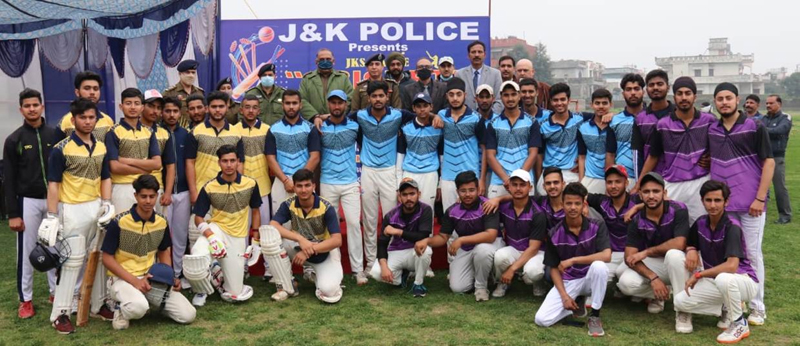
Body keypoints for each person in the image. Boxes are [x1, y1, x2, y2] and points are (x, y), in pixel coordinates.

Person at [316, 81, 414, 275]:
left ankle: (393, 262)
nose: (378, 100)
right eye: (374, 96)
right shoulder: (359, 116)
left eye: (381, 96)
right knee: (369, 221)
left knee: (392, 220)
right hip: (368, 171)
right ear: (368, 98)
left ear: (387, 96)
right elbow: (337, 116)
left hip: (389, 171)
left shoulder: (398, 115)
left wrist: (436, 117)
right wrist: (319, 117)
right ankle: (370, 264)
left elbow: (422, 115)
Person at [41, 98, 114, 334]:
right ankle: (60, 313)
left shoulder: (101, 146)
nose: (87, 121)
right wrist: (52, 215)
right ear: (73, 120)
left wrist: (106, 202)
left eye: (91, 117)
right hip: (71, 208)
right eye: (83, 117)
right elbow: (53, 184)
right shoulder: (61, 149)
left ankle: (98, 304)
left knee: (101, 256)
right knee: (71, 262)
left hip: (96, 207)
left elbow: (105, 178)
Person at [709, 82, 774, 325]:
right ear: (715, 103)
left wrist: (760, 198)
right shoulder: (712, 129)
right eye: (720, 99)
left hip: (751, 204)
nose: (724, 102)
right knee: (726, 254)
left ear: (737, 100)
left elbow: (769, 163)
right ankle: (730, 307)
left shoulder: (754, 126)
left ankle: (758, 307)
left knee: (752, 254)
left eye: (728, 98)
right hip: (723, 206)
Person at [101, 174, 195, 330]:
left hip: (151, 279)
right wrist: (135, 281)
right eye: (143, 196)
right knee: (138, 308)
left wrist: (169, 278)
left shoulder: (161, 221)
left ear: (157, 196)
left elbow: (164, 251)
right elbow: (107, 258)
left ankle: (157, 305)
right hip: (121, 279)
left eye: (152, 196)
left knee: (188, 315)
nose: (148, 201)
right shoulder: (119, 222)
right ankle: (121, 309)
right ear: (135, 196)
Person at [672, 180, 759, 343]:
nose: (713, 205)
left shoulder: (732, 226)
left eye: (718, 200)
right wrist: (691, 250)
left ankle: (739, 323)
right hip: (716, 281)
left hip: (744, 280)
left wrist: (699, 274)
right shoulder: (700, 222)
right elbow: (690, 242)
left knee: (724, 277)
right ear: (702, 201)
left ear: (726, 202)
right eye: (708, 200)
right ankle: (726, 306)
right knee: (680, 301)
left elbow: (732, 266)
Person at [184, 144, 261, 306]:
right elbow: (198, 218)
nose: (229, 165)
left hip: (238, 237)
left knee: (234, 293)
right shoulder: (209, 186)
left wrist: (255, 241)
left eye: (232, 160)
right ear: (219, 163)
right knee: (198, 253)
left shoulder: (251, 184)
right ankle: (201, 290)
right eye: (225, 161)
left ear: (238, 162)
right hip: (217, 230)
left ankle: (216, 273)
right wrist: (211, 237)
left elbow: (255, 211)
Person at [4, 88, 58, 318]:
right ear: (21, 110)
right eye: (27, 106)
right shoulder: (14, 139)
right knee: (26, 253)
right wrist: (13, 213)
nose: (32, 109)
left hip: (54, 200)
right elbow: (9, 179)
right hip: (28, 202)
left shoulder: (55, 134)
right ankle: (25, 300)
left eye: (35, 105)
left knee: (54, 249)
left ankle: (56, 292)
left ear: (42, 106)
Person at [534, 183, 610, 338]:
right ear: (562, 204)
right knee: (541, 320)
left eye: (577, 203)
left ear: (584, 205)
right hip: (569, 281)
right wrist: (564, 297)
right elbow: (553, 267)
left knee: (600, 267)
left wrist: (574, 260)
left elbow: (606, 255)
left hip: (590, 278)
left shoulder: (597, 225)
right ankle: (576, 302)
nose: (573, 207)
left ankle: (594, 316)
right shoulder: (554, 233)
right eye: (569, 203)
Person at [636, 77, 714, 224]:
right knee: (670, 226)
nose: (684, 97)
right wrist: (639, 183)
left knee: (701, 225)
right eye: (679, 93)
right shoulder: (662, 124)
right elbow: (653, 156)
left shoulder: (709, 121)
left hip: (701, 181)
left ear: (695, 97)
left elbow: (719, 148)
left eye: (688, 93)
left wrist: (711, 158)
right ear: (675, 97)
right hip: (673, 183)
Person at [617, 172, 690, 321]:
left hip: (679, 263)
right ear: (640, 195)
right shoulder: (636, 220)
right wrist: (653, 278)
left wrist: (647, 252)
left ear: (664, 193)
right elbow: (629, 257)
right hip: (657, 264)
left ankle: (683, 309)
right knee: (625, 282)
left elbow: (680, 243)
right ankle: (659, 293)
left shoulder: (678, 209)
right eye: (646, 192)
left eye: (656, 191)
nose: (651, 196)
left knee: (673, 254)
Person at [420, 171, 500, 301]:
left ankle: (481, 287)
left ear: (478, 189)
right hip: (467, 248)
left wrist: (461, 239)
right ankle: (477, 273)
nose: (467, 194)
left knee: (482, 251)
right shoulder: (452, 211)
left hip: (490, 245)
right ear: (457, 192)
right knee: (457, 288)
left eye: (471, 190)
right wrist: (426, 241)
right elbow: (443, 237)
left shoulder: (487, 205)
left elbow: (491, 236)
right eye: (463, 191)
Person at [267, 169, 344, 303]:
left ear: (314, 186)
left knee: (329, 292)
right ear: (294, 187)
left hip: (323, 252)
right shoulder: (288, 204)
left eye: (307, 185)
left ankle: (313, 274)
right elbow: (273, 225)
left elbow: (337, 240)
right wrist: (300, 239)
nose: (303, 190)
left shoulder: (326, 207)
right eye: (299, 186)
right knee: (270, 239)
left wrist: (309, 251)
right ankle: (287, 285)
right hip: (298, 246)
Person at [318, 90, 364, 284]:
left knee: (354, 224)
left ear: (346, 105)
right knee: (330, 228)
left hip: (350, 181)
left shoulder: (355, 126)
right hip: (327, 182)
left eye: (340, 103)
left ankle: (358, 270)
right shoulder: (319, 127)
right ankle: (334, 268)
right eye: (333, 103)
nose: (336, 106)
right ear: (328, 105)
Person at [370, 178, 434, 297]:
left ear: (418, 194)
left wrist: (398, 232)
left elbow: (423, 235)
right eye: (404, 194)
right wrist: (383, 266)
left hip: (415, 251)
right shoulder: (390, 215)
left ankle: (418, 284)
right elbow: (382, 243)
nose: (408, 198)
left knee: (426, 251)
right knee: (376, 273)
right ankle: (401, 277)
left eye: (412, 194)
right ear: (399, 197)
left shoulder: (425, 209)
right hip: (396, 251)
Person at [265, 89, 321, 223]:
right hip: (281, 181)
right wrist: (285, 180)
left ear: (301, 105)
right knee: (281, 223)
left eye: (294, 103)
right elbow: (270, 158)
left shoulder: (310, 128)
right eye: (288, 103)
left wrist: (299, 181)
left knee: (307, 223)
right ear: (282, 105)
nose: (291, 107)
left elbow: (315, 156)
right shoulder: (273, 129)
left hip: (304, 182)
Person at [491, 169, 548, 298]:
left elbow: (533, 248)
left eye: (522, 185)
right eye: (514, 184)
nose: (518, 188)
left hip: (536, 251)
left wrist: (511, 269)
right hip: (514, 249)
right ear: (509, 187)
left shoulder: (537, 213)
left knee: (533, 273)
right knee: (500, 256)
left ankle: (537, 282)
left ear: (530, 187)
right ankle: (503, 282)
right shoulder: (503, 207)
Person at [106, 88, 162, 214]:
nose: (132, 107)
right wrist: (145, 169)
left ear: (142, 107)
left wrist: (126, 160)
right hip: (122, 188)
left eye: (136, 103)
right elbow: (114, 167)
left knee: (146, 229)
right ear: (121, 106)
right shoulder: (113, 132)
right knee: (123, 228)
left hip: (145, 189)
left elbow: (157, 164)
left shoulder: (149, 132)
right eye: (128, 103)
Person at [185, 91, 243, 206]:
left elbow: (240, 163)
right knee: (202, 224)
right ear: (207, 109)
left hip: (228, 191)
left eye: (221, 106)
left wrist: (237, 188)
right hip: (202, 190)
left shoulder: (236, 133)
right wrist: (193, 191)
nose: (217, 110)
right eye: (214, 106)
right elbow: (189, 163)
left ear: (227, 108)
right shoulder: (196, 132)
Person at [485, 81, 541, 198]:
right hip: (499, 182)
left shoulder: (532, 122)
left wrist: (518, 179)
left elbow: (533, 153)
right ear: (501, 97)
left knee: (526, 216)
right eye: (506, 95)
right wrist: (507, 179)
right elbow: (490, 155)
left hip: (524, 181)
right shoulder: (493, 124)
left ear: (519, 95)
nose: (510, 98)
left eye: (513, 94)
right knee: (496, 216)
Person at [585, 165, 639, 281]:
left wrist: (637, 208)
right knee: (593, 275)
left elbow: (662, 201)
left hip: (633, 253)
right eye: (609, 182)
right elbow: (576, 194)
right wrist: (583, 205)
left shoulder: (636, 200)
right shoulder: (602, 201)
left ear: (626, 183)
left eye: (618, 182)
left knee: (625, 279)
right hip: (611, 254)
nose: (613, 186)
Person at [438, 77, 485, 211]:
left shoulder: (476, 118)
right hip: (448, 177)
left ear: (465, 95)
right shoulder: (441, 115)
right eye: (451, 95)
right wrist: (433, 116)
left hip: (470, 176)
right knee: (450, 216)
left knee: (470, 220)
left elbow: (485, 149)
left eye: (459, 94)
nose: (455, 98)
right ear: (447, 96)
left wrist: (481, 179)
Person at [160, 97, 192, 286]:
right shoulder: (155, 134)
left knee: (180, 236)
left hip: (184, 192)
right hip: (162, 194)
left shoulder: (186, 135)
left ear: (181, 113)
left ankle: (178, 274)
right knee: (161, 236)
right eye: (167, 111)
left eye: (175, 111)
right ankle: (162, 275)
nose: (171, 115)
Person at [397, 92, 443, 208]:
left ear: (431, 107)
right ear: (413, 108)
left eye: (425, 106)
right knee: (408, 210)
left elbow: (442, 157)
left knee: (428, 210)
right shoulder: (405, 128)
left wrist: (440, 184)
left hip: (430, 175)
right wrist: (398, 183)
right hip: (409, 173)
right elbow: (400, 155)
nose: (422, 109)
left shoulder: (438, 128)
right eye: (418, 106)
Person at [536, 83, 583, 195]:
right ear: (551, 102)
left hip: (571, 174)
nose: (559, 103)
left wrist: (610, 115)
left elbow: (598, 118)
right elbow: (539, 155)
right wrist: (539, 178)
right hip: (549, 173)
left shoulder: (580, 119)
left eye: (563, 99)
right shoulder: (543, 126)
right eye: (555, 100)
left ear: (569, 100)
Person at [237, 94, 273, 228]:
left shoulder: (268, 130)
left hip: (263, 186)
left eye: (254, 108)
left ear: (259, 111)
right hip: (241, 186)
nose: (251, 111)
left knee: (265, 229)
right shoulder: (234, 130)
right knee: (243, 229)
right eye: (247, 107)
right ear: (241, 110)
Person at [631, 70, 675, 177]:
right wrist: (640, 181)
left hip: (675, 176)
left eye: (660, 84)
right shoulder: (640, 119)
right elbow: (637, 153)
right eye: (651, 85)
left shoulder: (678, 114)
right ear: (646, 90)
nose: (655, 87)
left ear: (668, 87)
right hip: (651, 178)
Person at [606, 73, 645, 189]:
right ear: (623, 94)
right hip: (623, 179)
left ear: (643, 92)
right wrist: (609, 181)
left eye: (636, 89)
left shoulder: (652, 119)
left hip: (649, 177)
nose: (633, 92)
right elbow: (610, 153)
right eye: (628, 89)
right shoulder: (614, 121)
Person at [140, 89, 175, 213]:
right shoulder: (129, 130)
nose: (155, 111)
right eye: (151, 106)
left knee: (158, 229)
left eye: (159, 108)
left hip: (157, 188)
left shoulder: (164, 134)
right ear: (142, 106)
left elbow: (170, 166)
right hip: (133, 187)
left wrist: (168, 193)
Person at [55, 71, 115, 143]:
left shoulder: (108, 121)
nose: (92, 92)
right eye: (87, 88)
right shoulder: (65, 121)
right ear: (77, 92)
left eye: (95, 89)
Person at [299, 48, 354, 120]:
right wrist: (315, 116)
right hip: (313, 124)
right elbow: (302, 100)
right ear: (316, 62)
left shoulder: (343, 78)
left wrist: (335, 115)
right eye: (322, 59)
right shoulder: (307, 79)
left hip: (338, 122)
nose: (325, 62)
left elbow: (350, 98)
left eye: (328, 59)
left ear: (333, 61)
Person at [762, 94, 792, 224]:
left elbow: (779, 131)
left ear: (779, 104)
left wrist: (763, 130)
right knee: (761, 187)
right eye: (767, 103)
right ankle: (762, 213)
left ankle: (785, 215)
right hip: (763, 156)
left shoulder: (785, 118)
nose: (768, 106)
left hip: (777, 157)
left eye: (771, 103)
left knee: (779, 187)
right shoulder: (764, 118)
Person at [578, 89, 612, 194]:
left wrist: (614, 115)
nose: (601, 106)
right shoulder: (583, 127)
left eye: (604, 103)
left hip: (612, 179)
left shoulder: (615, 125)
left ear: (611, 104)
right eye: (597, 103)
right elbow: (582, 157)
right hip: (590, 177)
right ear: (591, 105)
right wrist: (581, 180)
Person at [456, 41, 503, 114]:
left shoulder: (495, 74)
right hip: (465, 118)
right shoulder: (459, 74)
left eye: (480, 52)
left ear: (484, 55)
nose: (477, 55)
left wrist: (489, 115)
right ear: (468, 55)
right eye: (473, 52)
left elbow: (499, 100)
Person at [163, 59, 205, 128]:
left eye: (193, 72)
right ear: (180, 74)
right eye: (187, 72)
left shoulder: (199, 92)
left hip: (198, 129)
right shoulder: (170, 93)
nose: (191, 75)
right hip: (177, 130)